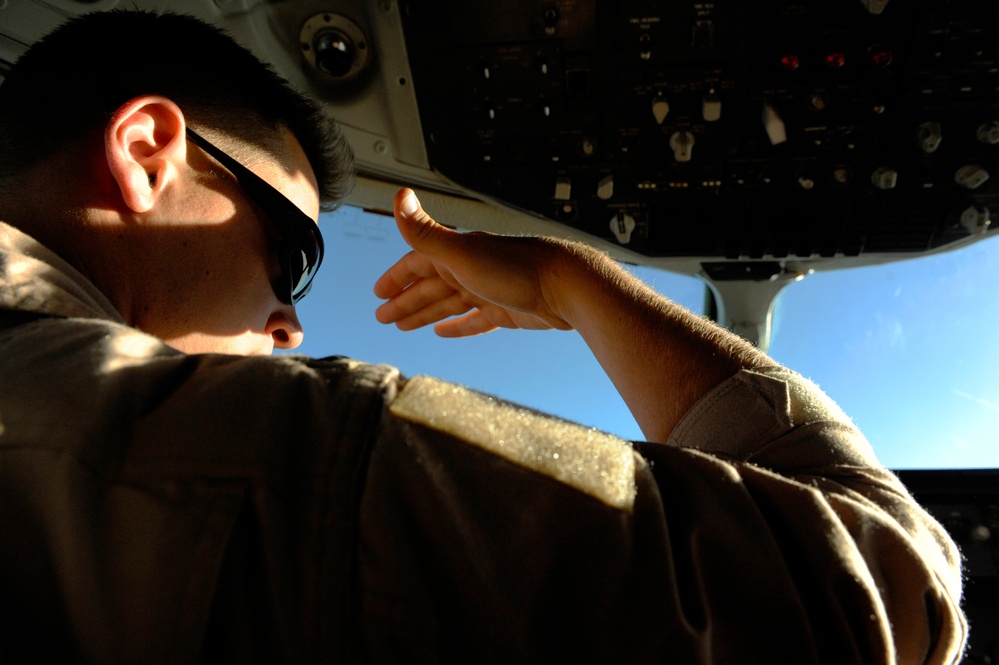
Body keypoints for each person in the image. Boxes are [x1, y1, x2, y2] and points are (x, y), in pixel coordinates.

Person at [0, 9, 967, 664]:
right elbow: (876, 599)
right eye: (292, 251)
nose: (289, 321)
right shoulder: (222, 453)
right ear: (144, 154)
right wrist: (576, 282)